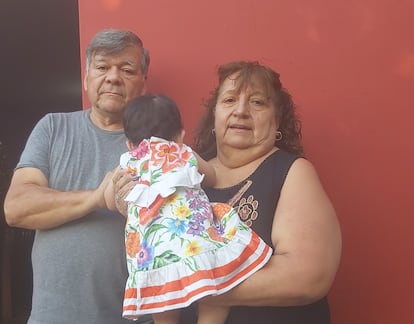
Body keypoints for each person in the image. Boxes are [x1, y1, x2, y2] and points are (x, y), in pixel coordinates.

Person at [4, 29, 153, 324]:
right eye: (101, 67)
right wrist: (98, 197)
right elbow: (16, 207)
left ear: (143, 83)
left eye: (127, 69)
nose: (113, 77)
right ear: (86, 78)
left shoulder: (159, 146)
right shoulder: (52, 128)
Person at [176, 61, 342, 324]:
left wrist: (201, 286)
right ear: (214, 117)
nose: (241, 111)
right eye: (229, 100)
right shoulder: (186, 173)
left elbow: (309, 275)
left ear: (276, 121)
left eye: (257, 103)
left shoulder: (291, 172)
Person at [105, 94, 273, 324]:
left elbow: (109, 198)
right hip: (194, 244)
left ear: (129, 144)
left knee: (163, 301)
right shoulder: (183, 152)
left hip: (155, 253)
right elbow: (211, 177)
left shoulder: (128, 163)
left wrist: (118, 194)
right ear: (180, 135)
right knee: (216, 288)